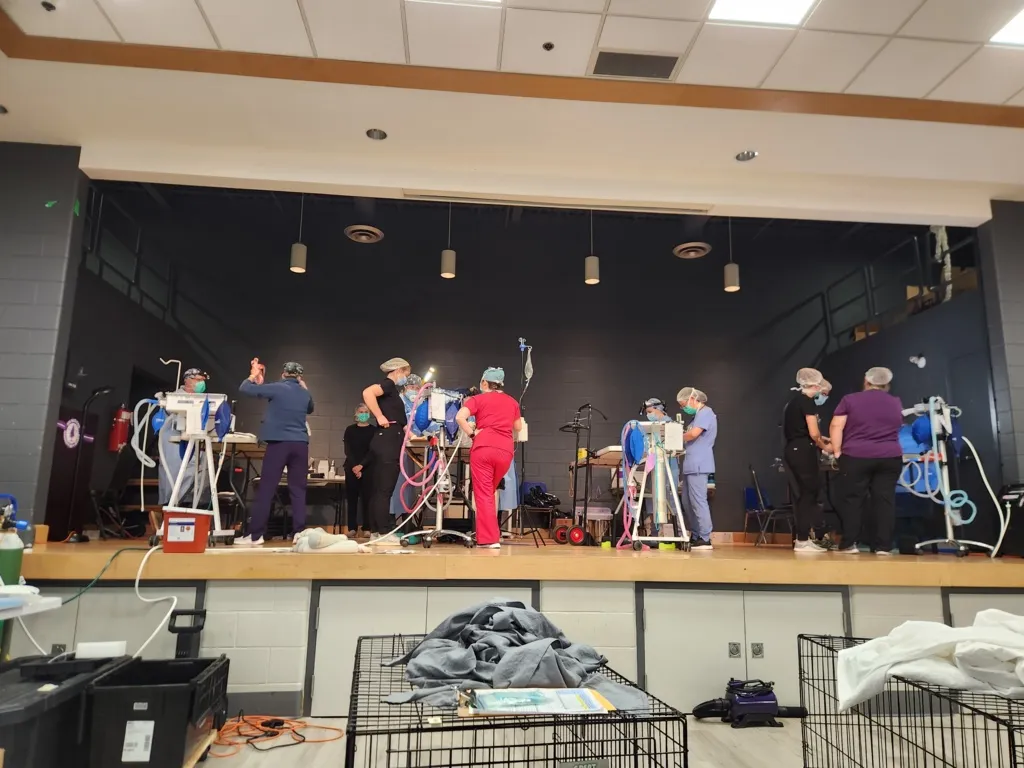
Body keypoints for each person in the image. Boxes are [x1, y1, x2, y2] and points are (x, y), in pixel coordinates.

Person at [234, 359, 313, 546]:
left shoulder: (278, 387)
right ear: (299, 376)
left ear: (283, 373)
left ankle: (256, 535)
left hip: (279, 443)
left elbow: (245, 388)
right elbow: (310, 408)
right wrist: (305, 388)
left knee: (267, 488)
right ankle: (299, 533)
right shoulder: (304, 393)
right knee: (298, 490)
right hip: (300, 445)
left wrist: (254, 374)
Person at [830, 366, 904, 556]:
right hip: (890, 457)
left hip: (856, 456)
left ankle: (849, 544)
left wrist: (837, 452)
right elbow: (897, 426)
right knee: (885, 500)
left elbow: (836, 425)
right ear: (887, 383)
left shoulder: (850, 400)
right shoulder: (895, 402)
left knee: (854, 500)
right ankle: (883, 546)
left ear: (866, 381)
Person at [456, 367, 523, 549]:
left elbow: (459, 417)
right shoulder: (512, 402)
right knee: (491, 491)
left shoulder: (477, 399)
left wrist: (472, 433)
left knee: (484, 494)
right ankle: (493, 535)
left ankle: (489, 539)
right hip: (505, 452)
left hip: (484, 448)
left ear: (484, 383)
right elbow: (517, 426)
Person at [362, 357, 412, 542]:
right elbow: (367, 393)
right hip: (388, 440)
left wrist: (413, 435)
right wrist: (379, 416)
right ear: (398, 371)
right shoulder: (388, 384)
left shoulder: (394, 395)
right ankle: (383, 532)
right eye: (405, 374)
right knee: (384, 489)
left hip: (389, 438)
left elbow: (402, 422)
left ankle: (376, 530)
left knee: (379, 489)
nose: (405, 378)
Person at [783, 368, 832, 553]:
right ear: (815, 385)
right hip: (803, 452)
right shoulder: (807, 402)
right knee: (808, 495)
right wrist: (824, 445)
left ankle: (802, 538)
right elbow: (813, 432)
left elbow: (800, 429)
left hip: (794, 450)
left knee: (803, 495)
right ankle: (803, 540)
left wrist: (821, 438)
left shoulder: (793, 402)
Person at [158, 367, 211, 507]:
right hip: (175, 447)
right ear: (187, 380)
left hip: (195, 446)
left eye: (203, 381)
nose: (201, 384)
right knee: (175, 485)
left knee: (195, 485)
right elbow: (176, 421)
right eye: (198, 380)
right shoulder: (175, 399)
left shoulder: (203, 399)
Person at [676, 387, 716, 551]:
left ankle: (705, 537)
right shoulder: (697, 416)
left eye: (684, 404)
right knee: (687, 501)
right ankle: (696, 534)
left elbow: (693, 434)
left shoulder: (706, 413)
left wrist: (674, 436)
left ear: (693, 399)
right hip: (691, 465)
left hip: (699, 464)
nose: (684, 408)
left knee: (699, 501)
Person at [641, 398, 681, 544]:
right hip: (654, 466)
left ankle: (677, 534)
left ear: (659, 409)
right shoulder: (650, 426)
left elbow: (676, 447)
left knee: (671, 500)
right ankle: (654, 534)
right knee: (652, 498)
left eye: (650, 412)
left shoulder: (671, 425)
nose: (649, 415)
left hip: (669, 466)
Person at [342, 404, 374, 536]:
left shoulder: (374, 430)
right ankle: (352, 528)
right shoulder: (349, 430)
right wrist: (355, 466)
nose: (363, 414)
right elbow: (348, 450)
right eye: (361, 412)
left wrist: (362, 466)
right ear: (356, 414)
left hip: (368, 468)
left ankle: (367, 527)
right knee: (352, 499)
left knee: (368, 499)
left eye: (366, 412)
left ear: (370, 414)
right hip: (351, 468)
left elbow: (373, 451)